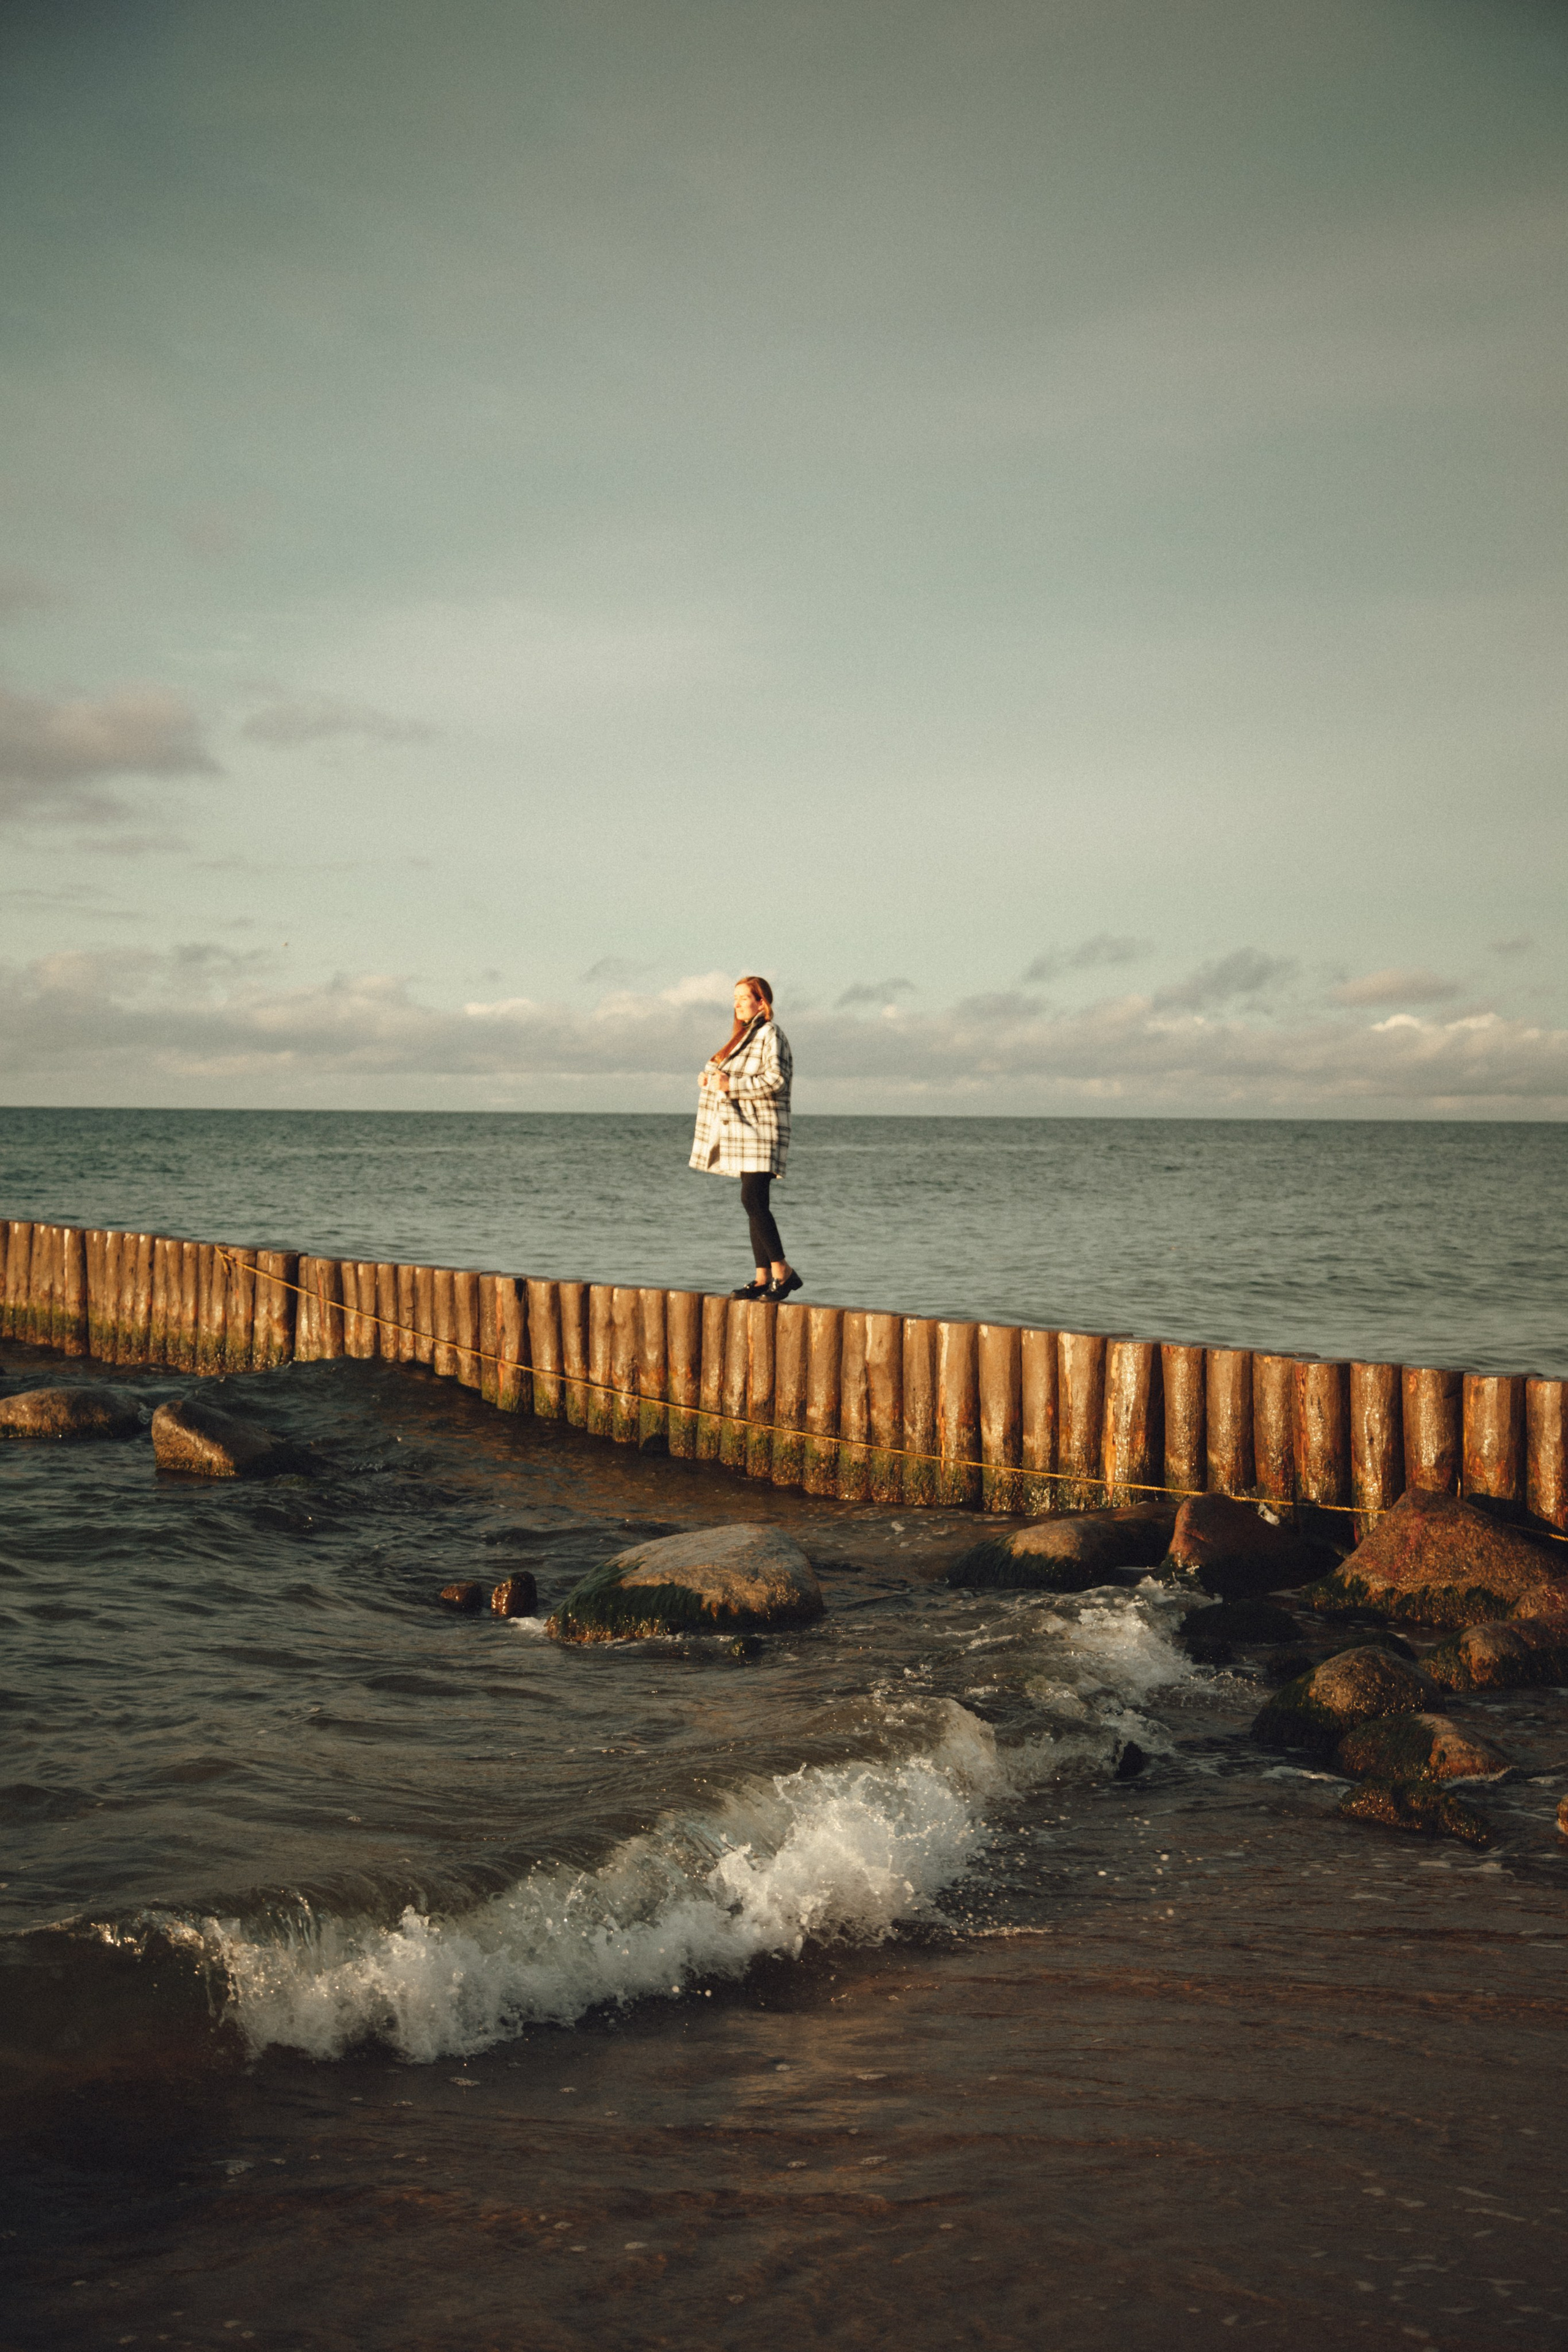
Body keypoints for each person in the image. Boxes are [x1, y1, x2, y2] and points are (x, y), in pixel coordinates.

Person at [690, 975, 802, 1302]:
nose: (737, 1003)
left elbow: (776, 1080)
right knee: (755, 1203)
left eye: (743, 997)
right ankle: (762, 1277)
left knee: (752, 1200)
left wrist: (729, 1084)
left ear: (761, 1002)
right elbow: (728, 1074)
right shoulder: (742, 1038)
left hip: (762, 1130)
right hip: (743, 1132)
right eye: (735, 998)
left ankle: (783, 1271)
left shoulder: (770, 1034)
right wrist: (710, 1079)